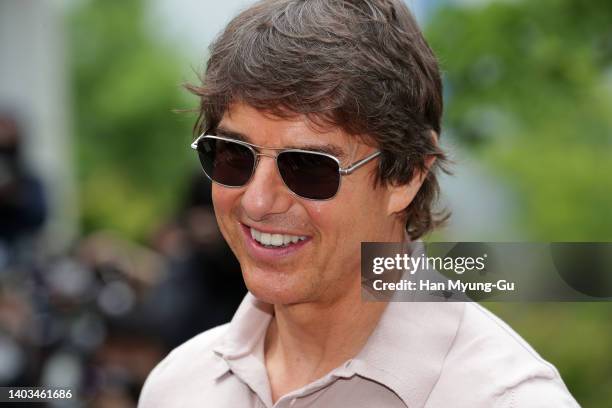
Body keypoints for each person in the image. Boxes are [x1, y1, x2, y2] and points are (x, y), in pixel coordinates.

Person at [139, 0, 579, 406]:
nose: (257, 201)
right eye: (234, 156)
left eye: (308, 167)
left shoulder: (505, 399)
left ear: (406, 175)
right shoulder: (178, 386)